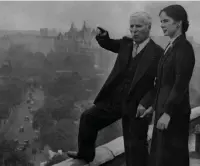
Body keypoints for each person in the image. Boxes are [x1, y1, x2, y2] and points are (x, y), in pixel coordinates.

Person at [67, 11, 164, 166]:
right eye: (131, 26)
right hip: (115, 100)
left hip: (136, 106)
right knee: (89, 117)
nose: (134, 30)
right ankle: (85, 154)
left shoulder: (158, 53)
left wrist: (146, 103)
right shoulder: (126, 43)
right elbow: (110, 44)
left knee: (135, 147)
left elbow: (160, 83)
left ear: (148, 27)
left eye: (138, 26)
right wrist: (103, 37)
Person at [140, 4, 195, 166]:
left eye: (166, 21)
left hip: (174, 113)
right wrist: (154, 106)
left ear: (178, 23)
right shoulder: (171, 47)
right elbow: (163, 83)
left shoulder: (184, 48)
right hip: (163, 110)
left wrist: (168, 113)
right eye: (161, 21)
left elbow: (180, 84)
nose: (162, 25)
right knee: (161, 157)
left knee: (172, 158)